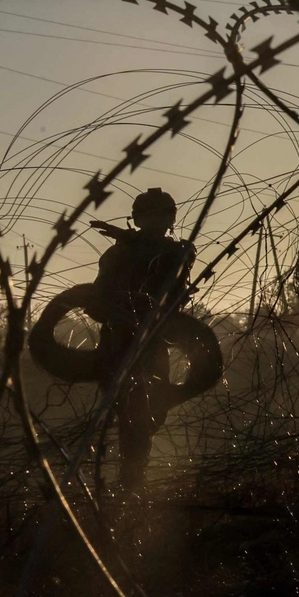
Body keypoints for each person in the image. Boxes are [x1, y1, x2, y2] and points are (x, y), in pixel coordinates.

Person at [88, 188, 195, 496]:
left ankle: (134, 476)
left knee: (152, 411)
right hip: (120, 342)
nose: (156, 222)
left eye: (161, 216)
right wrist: (123, 313)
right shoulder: (119, 254)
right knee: (128, 411)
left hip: (154, 341)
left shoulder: (176, 252)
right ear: (138, 219)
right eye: (149, 216)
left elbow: (175, 268)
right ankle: (129, 478)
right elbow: (97, 301)